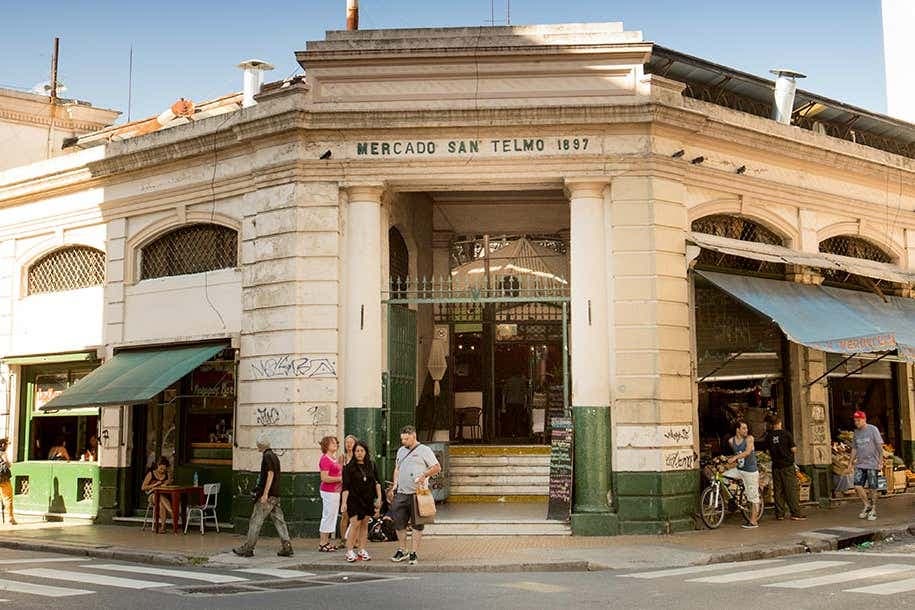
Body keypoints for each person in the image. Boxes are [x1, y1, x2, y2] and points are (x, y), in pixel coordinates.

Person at [233, 435, 293, 557]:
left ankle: (248, 548)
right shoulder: (274, 456)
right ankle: (287, 546)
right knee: (279, 520)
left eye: (257, 445)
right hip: (275, 495)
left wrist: (265, 494)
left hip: (268, 495)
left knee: (256, 520)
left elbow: (270, 474)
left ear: (260, 446)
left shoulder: (267, 456)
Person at [389, 425, 441, 565]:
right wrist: (395, 484)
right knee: (399, 523)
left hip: (418, 493)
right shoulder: (401, 451)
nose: (403, 442)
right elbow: (397, 468)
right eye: (402, 439)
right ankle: (402, 549)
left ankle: (414, 552)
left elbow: (436, 467)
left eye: (406, 439)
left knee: (418, 524)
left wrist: (424, 475)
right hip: (402, 492)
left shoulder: (425, 450)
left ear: (414, 436)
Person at [341, 440, 382, 562]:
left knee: (364, 524)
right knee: (355, 524)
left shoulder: (371, 465)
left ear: (366, 452)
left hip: (367, 498)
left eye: (361, 451)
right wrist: (344, 503)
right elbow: (346, 487)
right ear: (353, 452)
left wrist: (379, 498)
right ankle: (349, 550)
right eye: (357, 451)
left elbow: (377, 483)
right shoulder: (349, 468)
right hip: (354, 499)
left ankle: (362, 549)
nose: (359, 453)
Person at [764, 415, 806, 521]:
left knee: (778, 490)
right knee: (791, 489)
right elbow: (793, 449)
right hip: (787, 465)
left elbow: (768, 451)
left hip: (775, 466)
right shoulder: (786, 434)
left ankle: (779, 514)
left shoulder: (768, 436)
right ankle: (795, 513)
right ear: (779, 423)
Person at [724, 420, 760, 529]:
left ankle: (753, 522)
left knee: (753, 497)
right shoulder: (731, 441)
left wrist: (734, 458)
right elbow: (736, 453)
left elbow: (747, 452)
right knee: (721, 478)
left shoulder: (750, 439)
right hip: (739, 470)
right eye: (744, 428)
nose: (746, 430)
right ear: (737, 430)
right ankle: (731, 499)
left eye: (746, 428)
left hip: (750, 471)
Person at [851, 410, 884, 521]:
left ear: (864, 419)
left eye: (858, 420)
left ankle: (873, 508)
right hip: (860, 463)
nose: (857, 423)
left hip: (872, 463)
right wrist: (850, 462)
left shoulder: (873, 429)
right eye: (855, 421)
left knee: (872, 487)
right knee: (857, 485)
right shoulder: (856, 433)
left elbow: (880, 446)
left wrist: (880, 461)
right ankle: (867, 505)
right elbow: (854, 448)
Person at [318, 435, 342, 552]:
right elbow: (324, 477)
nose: (335, 445)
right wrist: (340, 479)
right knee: (328, 515)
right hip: (329, 491)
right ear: (326, 445)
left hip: (335, 491)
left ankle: (326, 541)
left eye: (336, 443)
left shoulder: (333, 458)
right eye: (332, 443)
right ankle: (322, 542)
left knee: (331, 516)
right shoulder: (325, 459)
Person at [141, 456, 174, 533]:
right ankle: (171, 511)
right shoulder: (151, 474)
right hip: (152, 495)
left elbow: (169, 482)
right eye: (161, 469)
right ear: (157, 466)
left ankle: (163, 527)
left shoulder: (167, 474)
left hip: (163, 496)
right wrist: (155, 485)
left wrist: (167, 482)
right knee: (158, 496)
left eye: (164, 469)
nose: (162, 471)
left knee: (161, 503)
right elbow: (143, 487)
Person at [339, 434, 357, 546]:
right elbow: (339, 472)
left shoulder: (358, 456)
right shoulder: (343, 457)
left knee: (355, 516)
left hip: (356, 490)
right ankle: (343, 539)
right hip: (346, 489)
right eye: (347, 442)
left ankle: (354, 540)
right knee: (345, 515)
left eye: (351, 442)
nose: (349, 445)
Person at [0, 438, 16, 525]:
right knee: (8, 497)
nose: (7, 446)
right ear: (3, 445)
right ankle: (10, 518)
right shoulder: (3, 453)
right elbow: (7, 463)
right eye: (6, 445)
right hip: (3, 479)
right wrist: (9, 464)